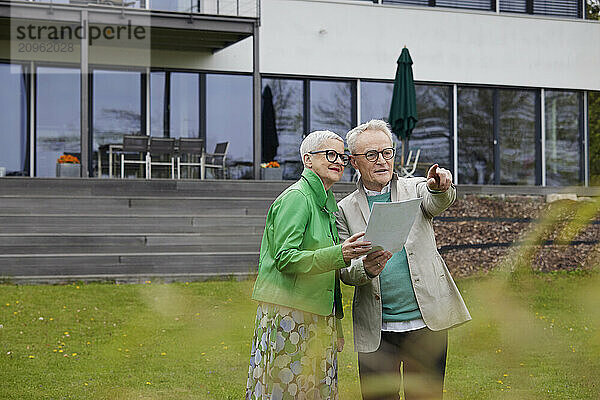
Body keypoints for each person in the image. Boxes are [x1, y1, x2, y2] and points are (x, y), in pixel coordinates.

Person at [336, 120, 471, 400]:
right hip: (377, 330)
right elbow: (345, 270)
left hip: (425, 326)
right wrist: (365, 269)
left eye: (387, 152)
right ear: (353, 162)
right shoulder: (343, 210)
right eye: (371, 155)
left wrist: (440, 186)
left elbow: (436, 200)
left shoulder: (415, 188)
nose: (382, 161)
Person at [247, 130, 372, 400]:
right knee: (288, 391)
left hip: (317, 316)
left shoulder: (326, 204)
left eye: (342, 156)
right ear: (308, 160)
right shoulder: (298, 198)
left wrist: (335, 324)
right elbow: (285, 258)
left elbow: (328, 274)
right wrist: (341, 253)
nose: (338, 161)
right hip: (290, 315)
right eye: (330, 154)